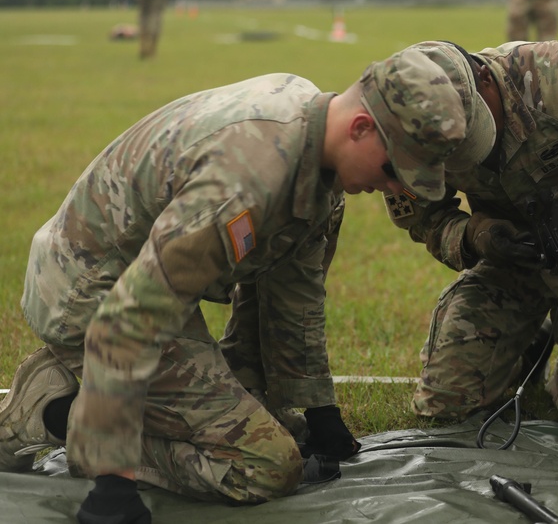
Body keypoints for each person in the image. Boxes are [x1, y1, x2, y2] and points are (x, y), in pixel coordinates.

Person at [0, 42, 491, 524]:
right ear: (361, 127)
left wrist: (320, 411)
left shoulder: (318, 147)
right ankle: (54, 413)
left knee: (272, 430)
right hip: (91, 292)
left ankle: (124, 409)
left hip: (147, 283)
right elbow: (127, 321)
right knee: (266, 466)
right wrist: (113, 484)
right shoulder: (248, 177)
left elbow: (294, 290)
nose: (394, 189)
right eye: (393, 170)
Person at [383, 39, 558, 434]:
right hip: (511, 263)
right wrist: (474, 235)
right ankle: (529, 339)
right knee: (445, 403)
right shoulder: (406, 132)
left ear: (484, 78)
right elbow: (422, 216)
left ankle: (555, 355)